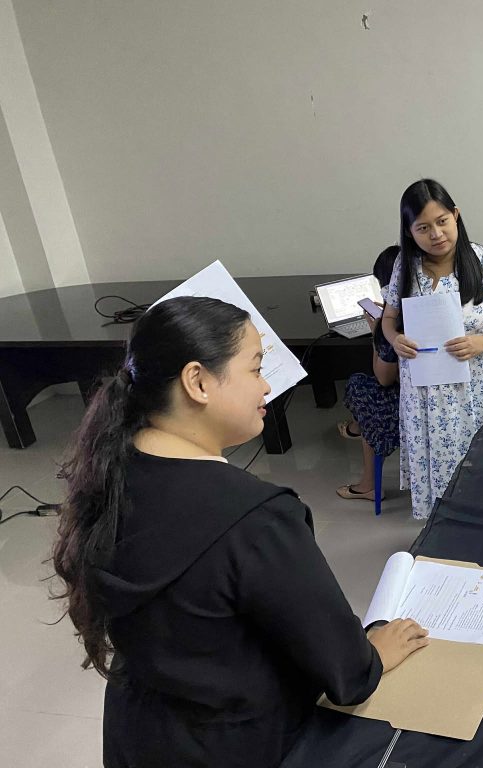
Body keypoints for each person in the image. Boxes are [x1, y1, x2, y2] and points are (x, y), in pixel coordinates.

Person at [51, 296, 428, 768]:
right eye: (255, 369)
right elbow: (345, 670)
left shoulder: (108, 472)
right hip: (245, 744)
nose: (267, 386)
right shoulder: (256, 518)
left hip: (140, 736)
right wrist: (374, 652)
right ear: (198, 381)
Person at [380, 179, 483, 519]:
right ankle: (441, 537)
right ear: (410, 231)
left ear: (456, 215)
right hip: (422, 396)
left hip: (472, 391)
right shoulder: (406, 265)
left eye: (442, 221)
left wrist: (482, 342)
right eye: (423, 227)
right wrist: (393, 338)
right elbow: (388, 319)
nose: (436, 234)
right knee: (435, 474)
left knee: (478, 468)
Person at [337, 245, 401, 502]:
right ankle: (354, 427)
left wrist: (378, 332)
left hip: (408, 401)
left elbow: (384, 378)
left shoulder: (394, 323)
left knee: (363, 388)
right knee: (364, 387)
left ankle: (369, 485)